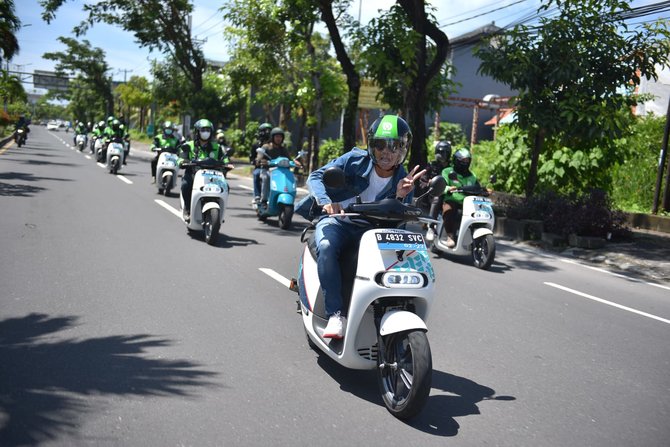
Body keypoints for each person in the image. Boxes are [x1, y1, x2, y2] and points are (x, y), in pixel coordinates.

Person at [295, 115, 425, 339]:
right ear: (372, 146)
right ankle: (336, 314)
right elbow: (316, 176)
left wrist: (401, 196)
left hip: (373, 230)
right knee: (326, 245)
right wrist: (326, 201)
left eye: (394, 147)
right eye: (381, 146)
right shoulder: (355, 159)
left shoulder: (405, 180)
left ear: (403, 149)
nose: (387, 153)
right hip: (340, 221)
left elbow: (399, 220)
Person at [178, 119, 227, 221]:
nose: (206, 132)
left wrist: (228, 164)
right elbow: (181, 157)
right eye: (203, 130)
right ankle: (188, 209)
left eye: (208, 130)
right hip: (193, 173)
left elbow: (225, 159)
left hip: (213, 176)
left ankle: (220, 212)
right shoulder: (189, 145)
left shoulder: (216, 147)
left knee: (226, 187)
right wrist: (182, 161)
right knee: (185, 185)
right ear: (197, 131)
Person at [440, 148, 480, 248]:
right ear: (456, 160)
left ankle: (477, 238)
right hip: (452, 200)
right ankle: (449, 236)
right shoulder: (447, 171)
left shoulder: (472, 176)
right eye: (463, 161)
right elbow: (441, 185)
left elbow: (477, 187)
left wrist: (484, 190)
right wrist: (448, 188)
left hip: (468, 204)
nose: (465, 163)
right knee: (449, 208)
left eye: (467, 161)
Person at [257, 127, 299, 204]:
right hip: (267, 170)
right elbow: (259, 158)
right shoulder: (266, 147)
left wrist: (294, 162)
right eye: (276, 136)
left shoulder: (283, 149)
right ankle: (264, 199)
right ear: (272, 137)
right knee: (266, 178)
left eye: (280, 137)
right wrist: (262, 161)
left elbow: (289, 159)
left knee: (294, 179)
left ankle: (289, 196)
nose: (278, 139)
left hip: (281, 171)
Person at [251, 123, 273, 203]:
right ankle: (257, 195)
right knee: (256, 174)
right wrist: (256, 162)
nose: (267, 133)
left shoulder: (274, 145)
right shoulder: (256, 145)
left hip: (273, 167)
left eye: (269, 131)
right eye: (265, 131)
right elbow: (252, 158)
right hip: (260, 167)